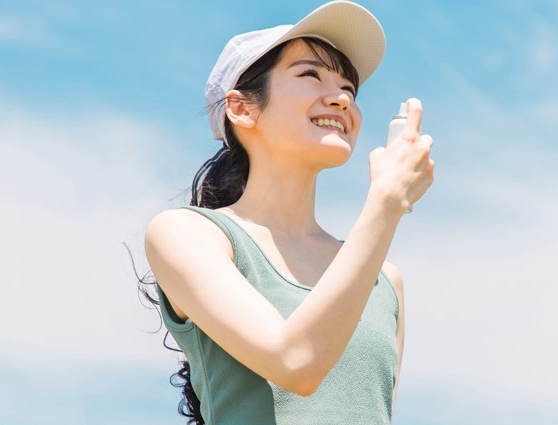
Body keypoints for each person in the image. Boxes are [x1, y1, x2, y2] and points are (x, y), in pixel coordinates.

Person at [141, 1, 434, 423]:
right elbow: (294, 362)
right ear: (241, 108)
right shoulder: (186, 234)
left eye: (349, 89)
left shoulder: (386, 281)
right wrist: (386, 204)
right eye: (310, 74)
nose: (340, 99)